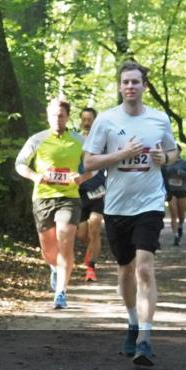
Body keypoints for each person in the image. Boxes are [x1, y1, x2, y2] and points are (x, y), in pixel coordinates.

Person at [83, 60, 178, 367]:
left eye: (136, 82)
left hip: (149, 204)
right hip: (116, 207)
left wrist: (165, 157)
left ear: (144, 86)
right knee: (125, 271)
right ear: (120, 86)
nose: (131, 87)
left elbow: (174, 151)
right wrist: (123, 154)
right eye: (126, 82)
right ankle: (133, 321)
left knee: (145, 268)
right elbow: (89, 163)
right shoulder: (107, 121)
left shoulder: (158, 119)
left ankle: (146, 339)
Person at [16, 98, 93, 310]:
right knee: (48, 249)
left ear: (68, 117)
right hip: (43, 197)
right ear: (47, 117)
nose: (57, 119)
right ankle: (54, 267)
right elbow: (20, 164)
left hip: (69, 197)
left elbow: (94, 166)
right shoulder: (37, 139)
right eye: (53, 115)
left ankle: (61, 292)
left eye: (61, 115)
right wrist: (35, 177)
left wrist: (81, 178)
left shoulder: (79, 140)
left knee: (65, 240)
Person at [76, 107, 106, 281]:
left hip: (97, 191)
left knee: (94, 228)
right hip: (78, 192)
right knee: (81, 234)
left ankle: (90, 267)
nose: (87, 122)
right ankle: (93, 250)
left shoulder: (103, 142)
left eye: (90, 119)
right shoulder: (75, 140)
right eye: (84, 119)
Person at [163, 156, 186, 246]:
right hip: (170, 191)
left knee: (181, 214)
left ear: (179, 152)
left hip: (181, 191)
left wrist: (182, 173)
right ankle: (176, 236)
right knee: (173, 213)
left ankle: (180, 225)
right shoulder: (165, 162)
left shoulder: (184, 163)